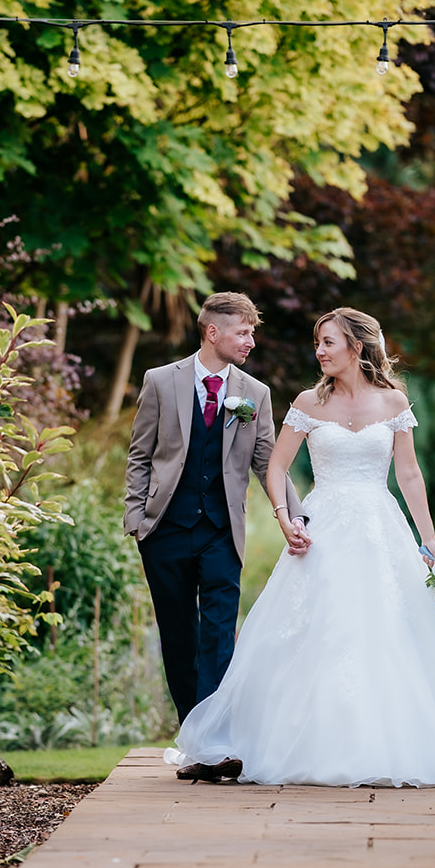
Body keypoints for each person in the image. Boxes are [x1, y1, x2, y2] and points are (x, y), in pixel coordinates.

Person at [167, 308, 435, 794]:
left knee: (391, 630)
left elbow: (410, 474)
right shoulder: (308, 402)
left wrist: (431, 541)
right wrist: (285, 518)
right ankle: (299, 742)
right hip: (323, 529)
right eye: (318, 343)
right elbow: (276, 466)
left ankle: (388, 742)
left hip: (381, 528)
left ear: (356, 346)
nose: (320, 351)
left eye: (328, 342)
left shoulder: (393, 400)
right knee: (316, 630)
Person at [125, 292, 311, 780]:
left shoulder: (255, 393)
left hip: (221, 532)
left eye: (252, 332)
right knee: (179, 636)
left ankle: (217, 744)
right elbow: (140, 455)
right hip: (163, 530)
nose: (251, 341)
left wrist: (298, 516)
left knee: (219, 635)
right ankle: (195, 739)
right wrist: (136, 520)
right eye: (243, 332)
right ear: (213, 333)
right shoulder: (161, 382)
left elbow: (270, 463)